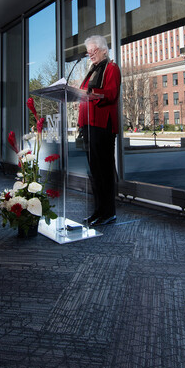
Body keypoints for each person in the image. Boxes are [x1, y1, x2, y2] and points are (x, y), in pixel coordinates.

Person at [77, 34, 121, 227]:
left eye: (94, 50)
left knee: (104, 171)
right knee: (94, 172)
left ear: (104, 50)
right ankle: (98, 211)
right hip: (88, 126)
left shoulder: (112, 68)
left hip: (103, 126)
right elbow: (84, 96)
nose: (90, 54)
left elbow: (111, 94)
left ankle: (108, 212)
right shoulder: (92, 70)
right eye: (88, 52)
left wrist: (91, 94)